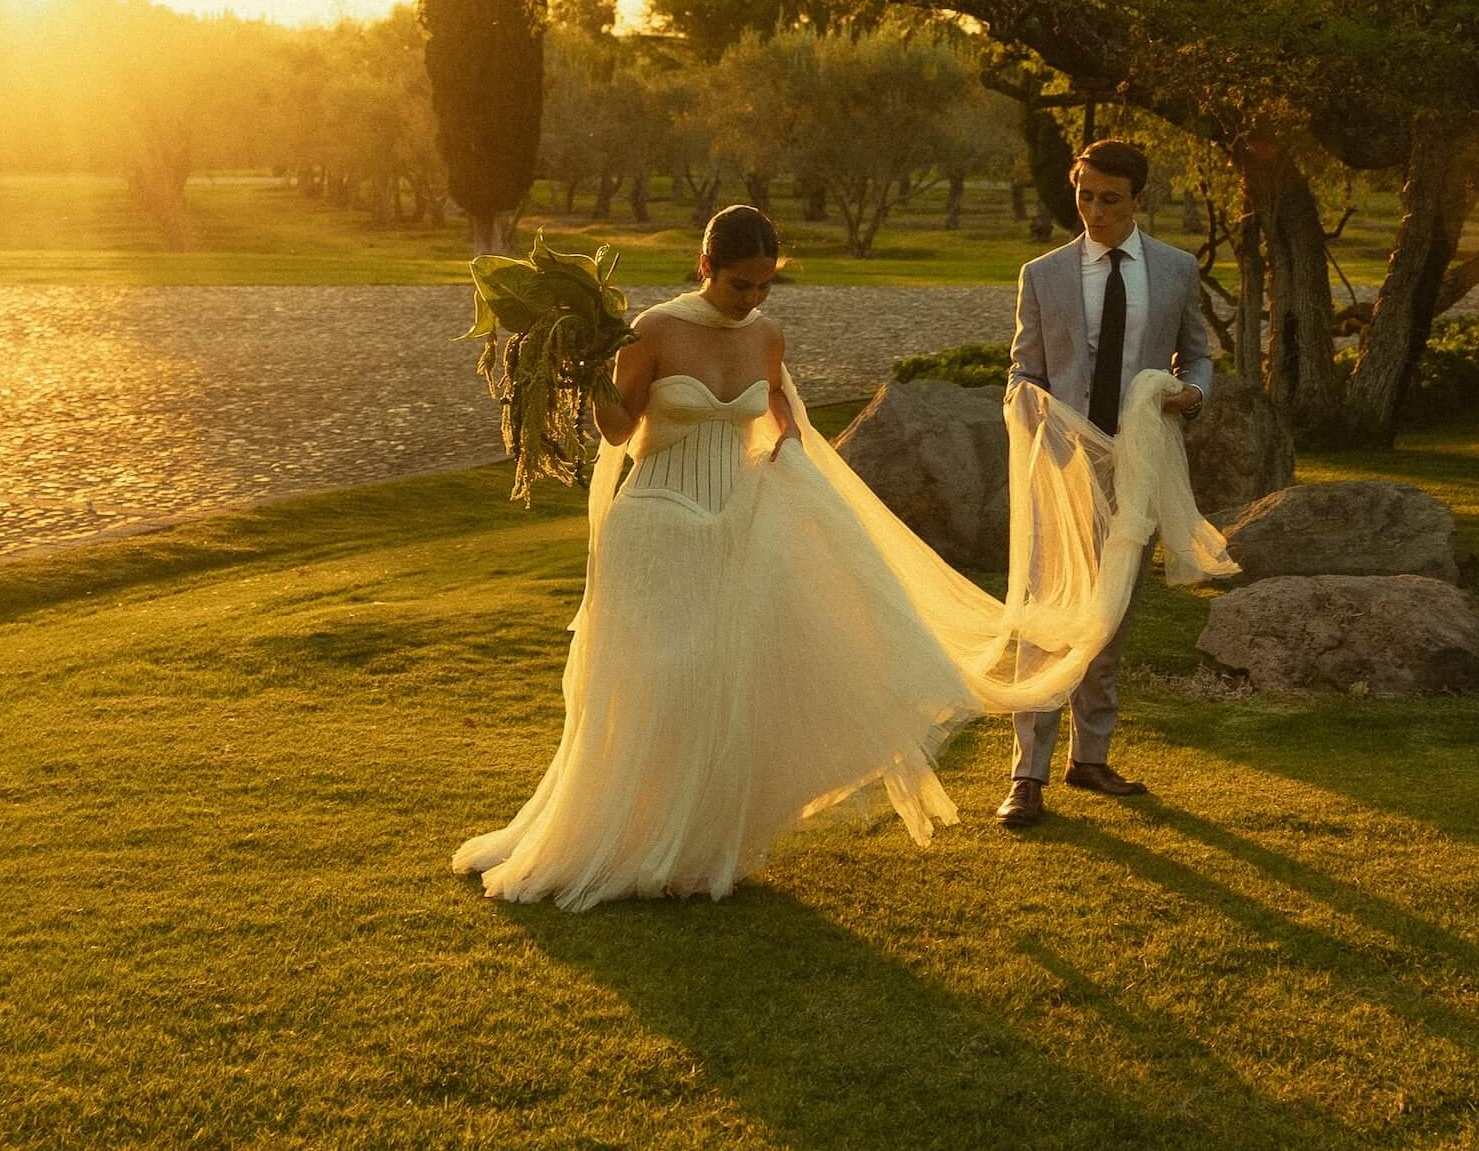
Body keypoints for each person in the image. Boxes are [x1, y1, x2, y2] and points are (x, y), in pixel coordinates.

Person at [451, 203, 1130, 910]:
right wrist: (588, 375)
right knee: (656, 682)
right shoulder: (652, 330)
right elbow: (621, 427)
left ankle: (689, 841)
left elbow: (778, 406)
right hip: (654, 523)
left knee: (717, 688)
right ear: (705, 265)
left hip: (736, 521)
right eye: (739, 284)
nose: (750, 299)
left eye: (764, 287)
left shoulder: (766, 336)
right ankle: (619, 835)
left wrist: (787, 452)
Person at [998, 138, 1216, 830]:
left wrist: (1193, 395)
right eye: (1084, 194)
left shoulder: (1177, 270)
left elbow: (1200, 355)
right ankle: (1026, 773)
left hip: (1137, 463)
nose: (1092, 209)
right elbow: (1022, 369)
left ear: (1138, 198)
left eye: (1109, 198)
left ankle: (1090, 757)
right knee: (1047, 611)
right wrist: (1028, 406)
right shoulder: (1044, 273)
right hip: (1062, 463)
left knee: (1114, 610)